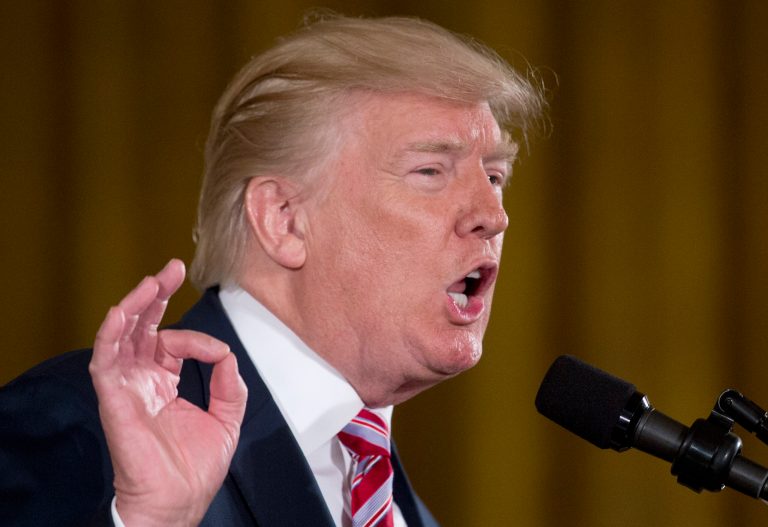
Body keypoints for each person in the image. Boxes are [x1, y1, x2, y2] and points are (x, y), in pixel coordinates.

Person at [0, 14, 544, 527]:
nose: (494, 216)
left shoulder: (395, 502)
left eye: (495, 177)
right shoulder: (83, 425)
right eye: (430, 171)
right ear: (284, 219)